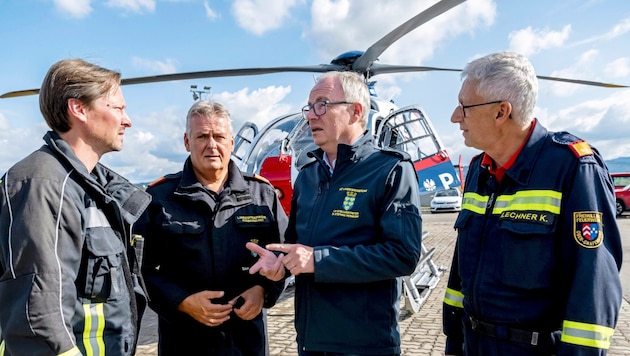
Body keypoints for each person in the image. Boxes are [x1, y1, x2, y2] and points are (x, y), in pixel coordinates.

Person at [442, 51, 623, 355]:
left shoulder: (572, 168)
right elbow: (461, 273)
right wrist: (453, 342)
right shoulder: (479, 169)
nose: (455, 117)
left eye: (464, 107)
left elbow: (593, 287)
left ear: (501, 112)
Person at [247, 71, 423, 355]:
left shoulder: (390, 170)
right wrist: (279, 264)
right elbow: (296, 245)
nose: (310, 117)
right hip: (311, 341)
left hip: (364, 344)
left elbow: (402, 255)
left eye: (322, 105)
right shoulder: (307, 177)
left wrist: (318, 261)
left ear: (355, 111)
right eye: (308, 107)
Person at [0, 59, 151, 355]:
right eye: (117, 108)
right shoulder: (43, 184)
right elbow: (41, 313)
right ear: (78, 109)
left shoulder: (89, 188)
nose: (127, 120)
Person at [136, 100, 287, 355]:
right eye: (202, 136)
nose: (211, 145)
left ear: (231, 142)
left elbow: (283, 254)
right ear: (187, 142)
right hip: (184, 340)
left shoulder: (262, 195)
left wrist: (263, 291)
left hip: (246, 340)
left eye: (219, 136)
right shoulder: (159, 198)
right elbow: (140, 269)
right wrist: (182, 302)